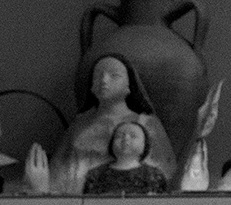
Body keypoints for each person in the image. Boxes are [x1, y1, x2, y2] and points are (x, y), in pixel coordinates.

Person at [54, 53, 175, 193]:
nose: (104, 80)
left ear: (129, 85)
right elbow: (58, 168)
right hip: (79, 197)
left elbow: (167, 172)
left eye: (114, 76)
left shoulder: (147, 123)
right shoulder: (80, 124)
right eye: (98, 76)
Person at [82, 119, 172, 195]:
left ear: (144, 144)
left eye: (133, 136)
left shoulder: (154, 175)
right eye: (119, 136)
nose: (126, 139)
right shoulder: (96, 174)